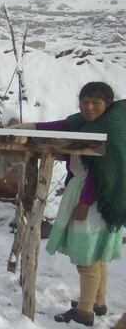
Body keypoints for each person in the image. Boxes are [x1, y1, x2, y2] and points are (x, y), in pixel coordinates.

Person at [24, 82, 125, 326]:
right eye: (84, 102)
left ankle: (84, 312)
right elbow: (60, 126)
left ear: (108, 104)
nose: (89, 107)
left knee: (86, 255)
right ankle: (97, 303)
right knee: (97, 253)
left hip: (93, 197)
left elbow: (98, 172)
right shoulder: (90, 122)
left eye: (95, 103)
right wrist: (29, 127)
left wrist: (84, 202)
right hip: (99, 198)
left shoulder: (107, 129)